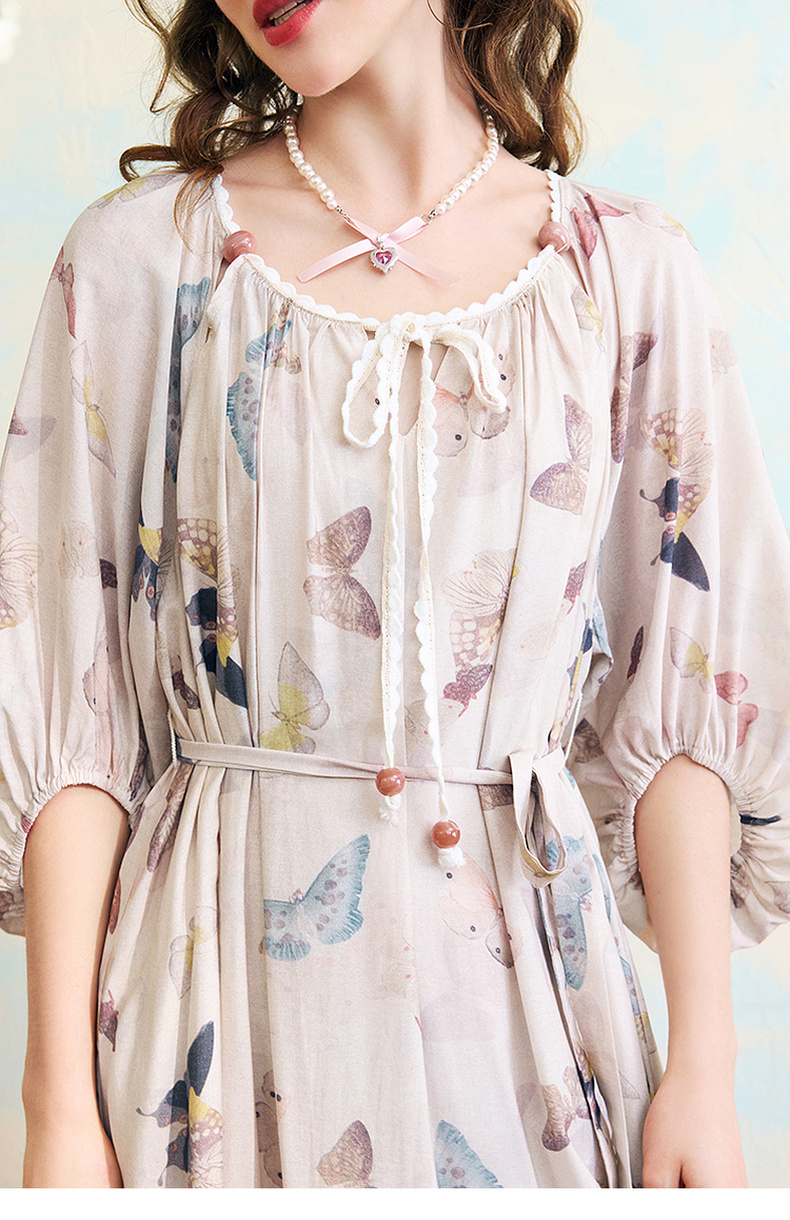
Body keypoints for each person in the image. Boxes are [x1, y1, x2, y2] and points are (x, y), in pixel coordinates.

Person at [2, 0, 789, 1190]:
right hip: (212, 1003)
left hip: (533, 1006)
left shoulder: (624, 269)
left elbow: (675, 691)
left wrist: (704, 1068)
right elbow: (67, 697)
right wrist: (55, 1105)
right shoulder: (142, 257)